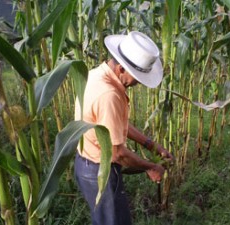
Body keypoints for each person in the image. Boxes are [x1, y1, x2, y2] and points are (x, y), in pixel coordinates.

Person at [74, 31, 173, 225]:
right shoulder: (109, 95)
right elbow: (117, 153)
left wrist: (150, 145)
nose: (138, 83)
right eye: (136, 77)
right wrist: (151, 167)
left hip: (86, 164)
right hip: (98, 170)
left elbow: (114, 124)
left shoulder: (96, 74)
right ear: (121, 68)